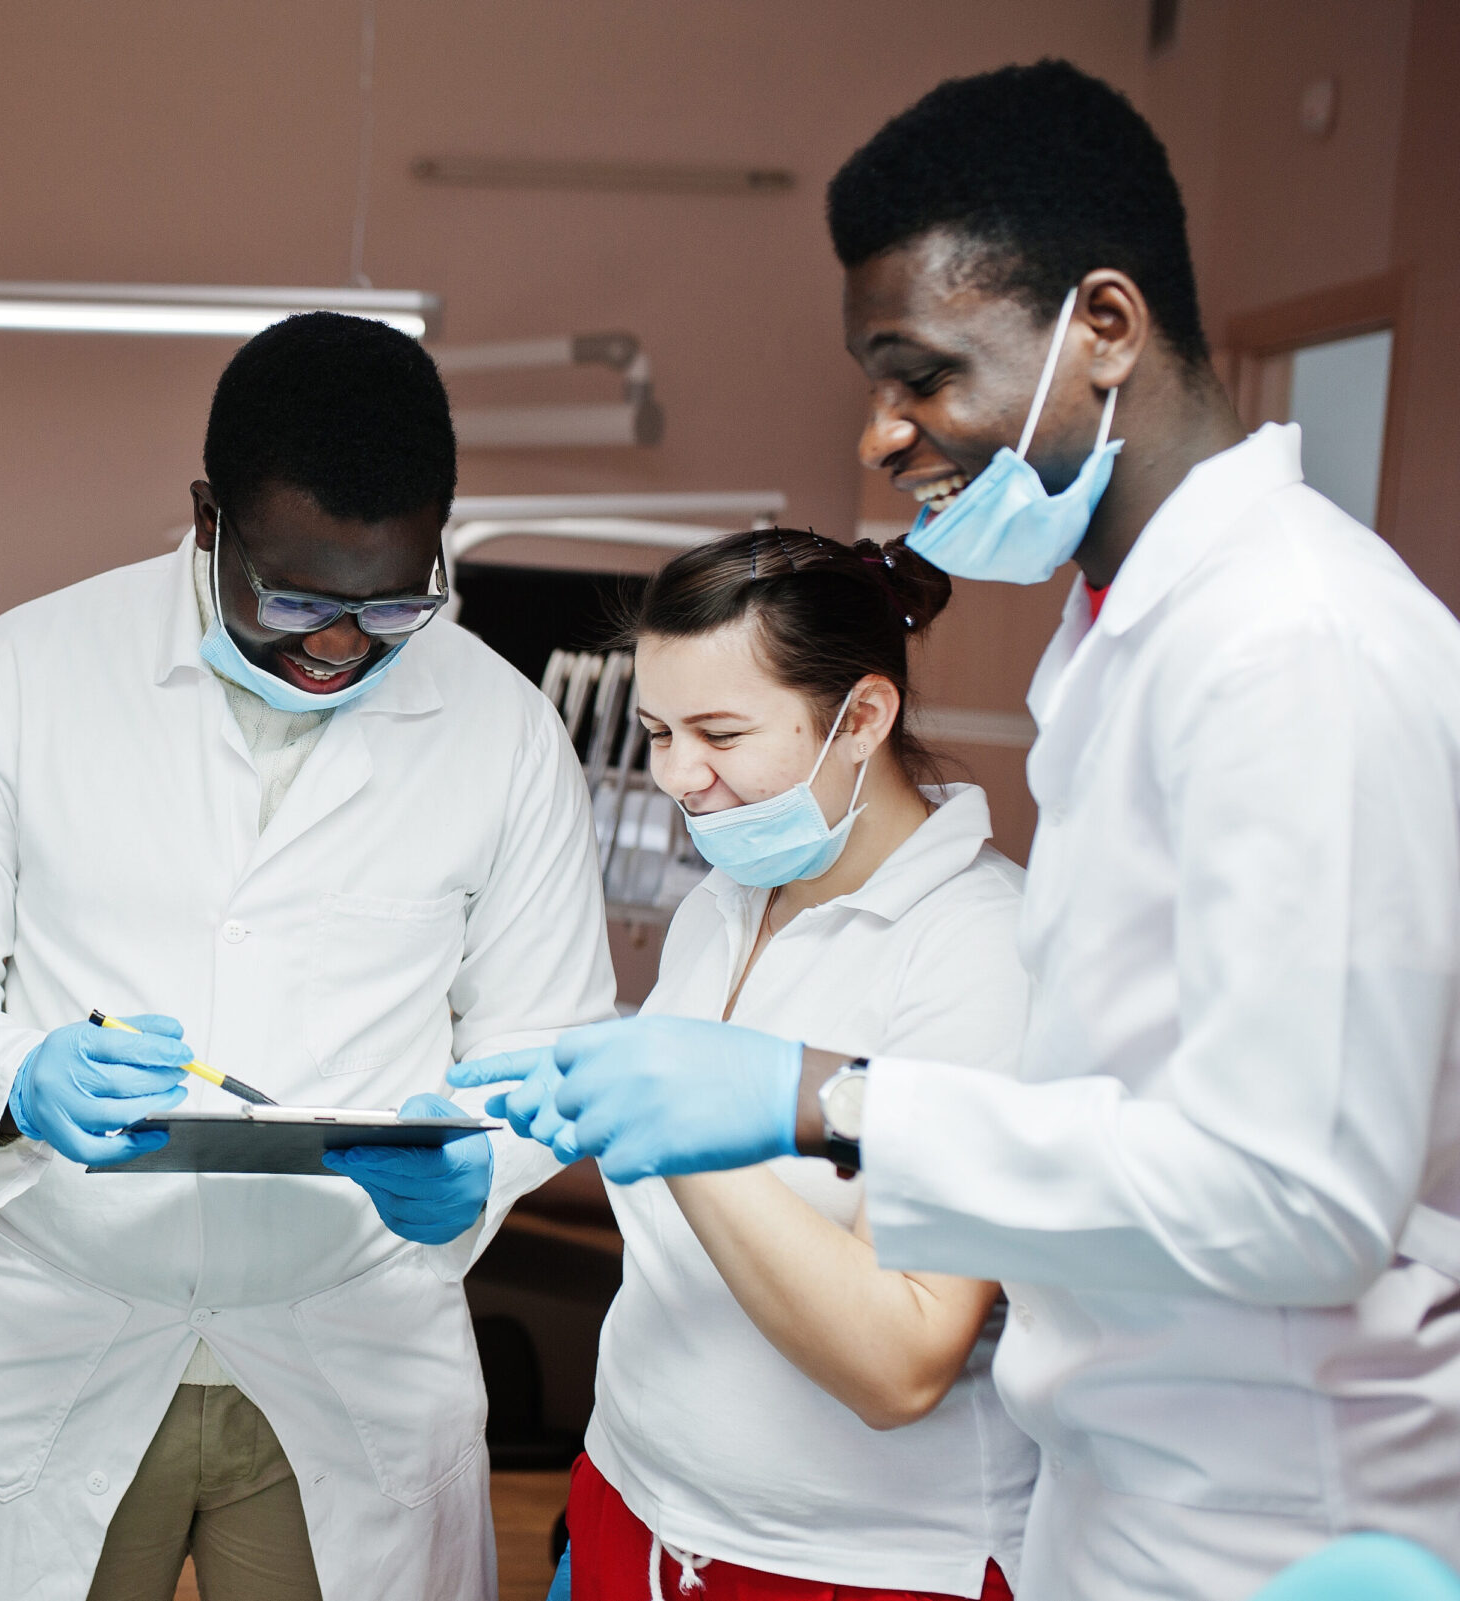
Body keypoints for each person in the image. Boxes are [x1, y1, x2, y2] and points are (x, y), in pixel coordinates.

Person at [463, 61, 1460, 1600]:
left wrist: (816, 1100)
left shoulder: (1296, 646)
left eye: (921, 372)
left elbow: (1295, 1197)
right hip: (1112, 1495)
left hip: (1273, 1526)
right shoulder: (1130, 649)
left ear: (1105, 329)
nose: (883, 435)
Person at [0, 311, 618, 1601]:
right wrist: (18, 1074)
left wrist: (480, 1158)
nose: (337, 643)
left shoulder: (504, 728)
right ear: (206, 518)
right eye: (294, 595)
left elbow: (542, 1036)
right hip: (70, 1317)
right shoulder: (20, 676)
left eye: (390, 601)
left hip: (353, 1335)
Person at [491, 528, 1037, 1601]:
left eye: (721, 732)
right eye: (656, 730)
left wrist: (684, 1128)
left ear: (862, 718)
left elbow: (901, 1359)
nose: (678, 777)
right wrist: (496, 1154)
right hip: (627, 1500)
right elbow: (695, 1230)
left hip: (847, 1563)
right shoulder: (721, 905)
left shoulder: (982, 948)